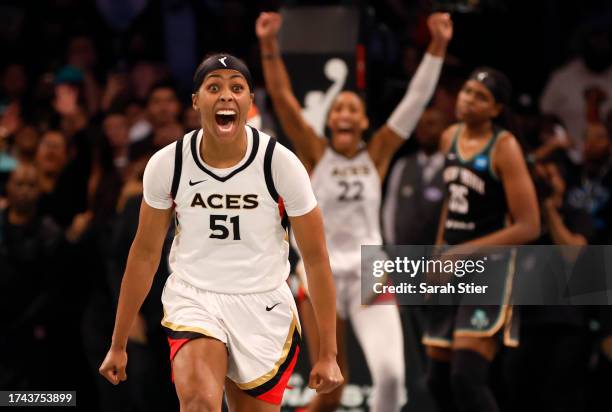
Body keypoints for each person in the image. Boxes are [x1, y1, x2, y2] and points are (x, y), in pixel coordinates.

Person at [99, 53, 343, 411]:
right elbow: (145, 254)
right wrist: (118, 342)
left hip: (263, 302)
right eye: (214, 87)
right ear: (196, 101)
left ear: (249, 101)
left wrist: (329, 352)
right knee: (199, 401)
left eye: (237, 87)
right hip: (195, 297)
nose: (226, 95)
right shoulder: (169, 164)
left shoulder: (281, 164)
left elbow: (318, 260)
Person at [257, 11, 452, 412]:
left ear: (364, 121)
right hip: (319, 276)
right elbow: (282, 99)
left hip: (370, 274)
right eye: (338, 109)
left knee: (393, 377)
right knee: (329, 394)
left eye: (352, 109)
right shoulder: (314, 152)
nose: (344, 113)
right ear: (330, 121)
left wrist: (437, 46)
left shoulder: (378, 153)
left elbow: (415, 101)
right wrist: (268, 45)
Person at [422, 68, 540, 412]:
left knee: (466, 378)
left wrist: (463, 252)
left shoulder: (505, 147)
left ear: (496, 109)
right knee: (437, 380)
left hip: (490, 270)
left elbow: (529, 225)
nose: (468, 100)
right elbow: (450, 201)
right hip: (451, 263)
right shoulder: (449, 137)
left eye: (480, 97)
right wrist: (437, 252)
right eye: (467, 91)